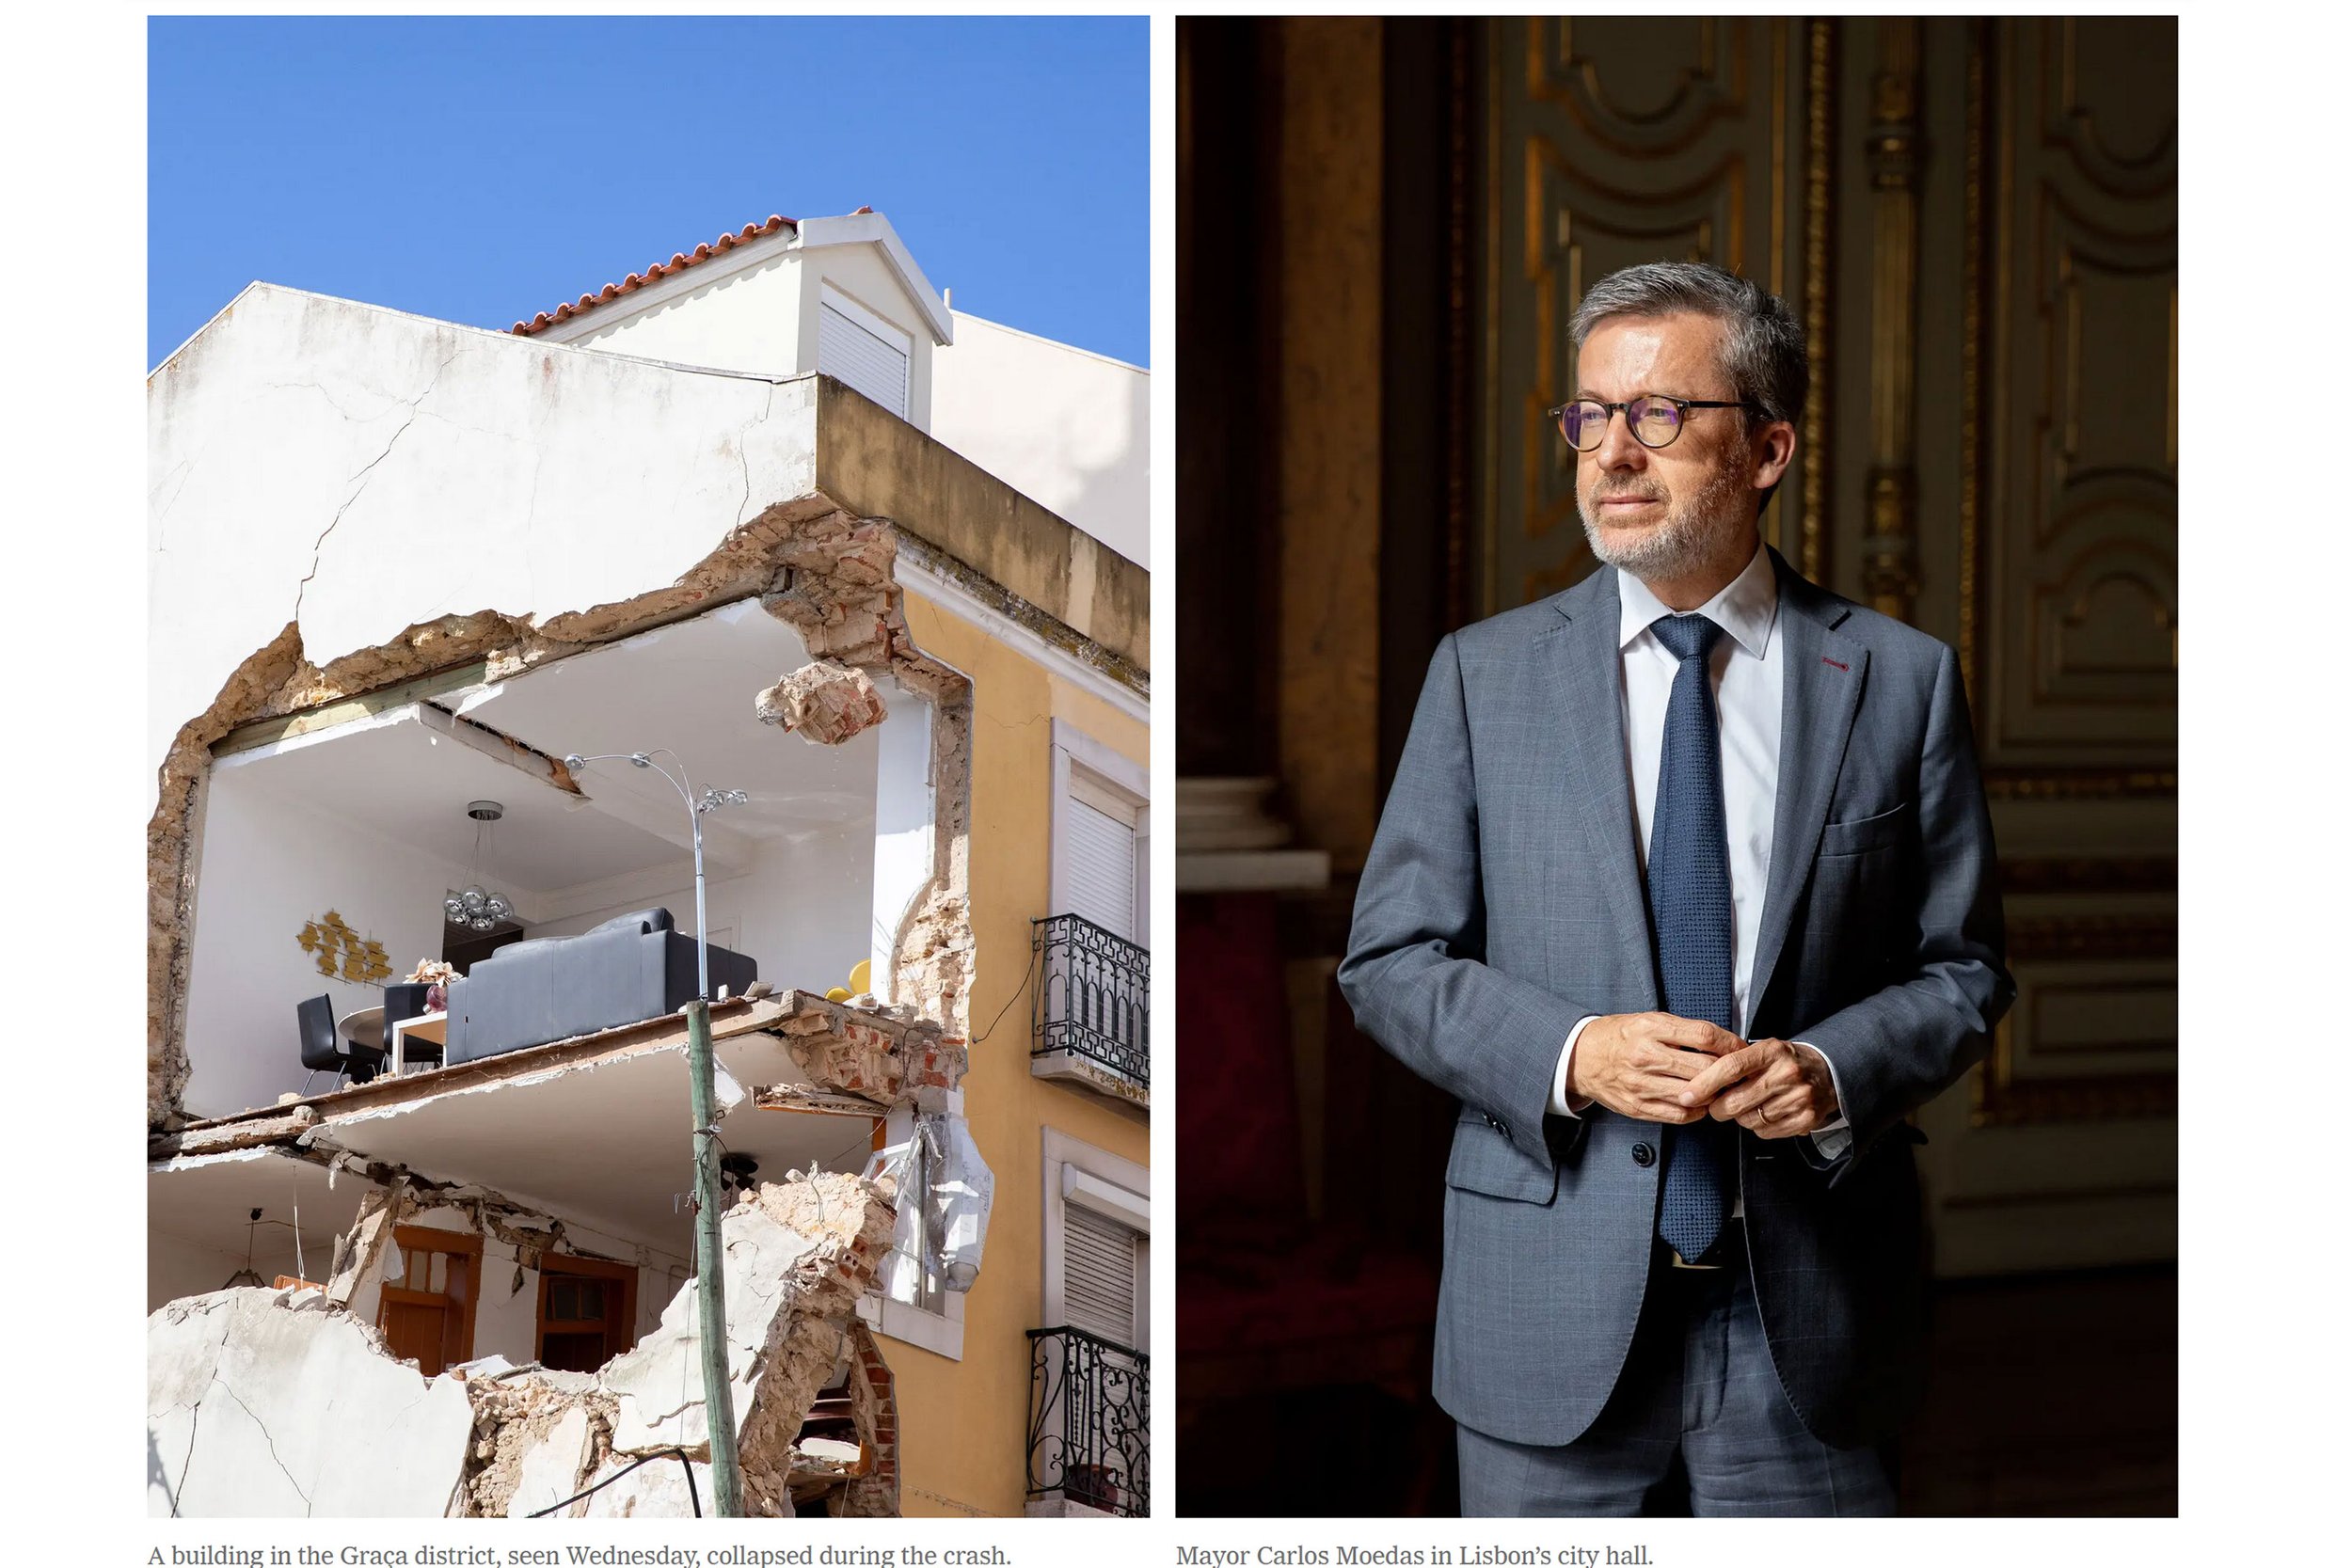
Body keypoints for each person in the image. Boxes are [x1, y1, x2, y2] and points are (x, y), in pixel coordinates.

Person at [1338, 261, 2012, 1517]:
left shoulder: (1901, 680)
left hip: (1810, 1314)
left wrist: (1836, 1069)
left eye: (1658, 417)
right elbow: (1387, 964)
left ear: (1767, 449)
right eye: (1589, 417)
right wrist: (1573, 1052)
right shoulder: (1484, 677)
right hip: (1546, 1313)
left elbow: (1965, 970)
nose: (1612, 456)